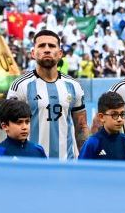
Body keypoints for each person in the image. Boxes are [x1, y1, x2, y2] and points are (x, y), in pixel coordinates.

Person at [6, 29, 88, 160]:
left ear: (60, 53)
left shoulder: (73, 85)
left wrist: (85, 159)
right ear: (33, 53)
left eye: (52, 46)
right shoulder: (20, 86)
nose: (47, 49)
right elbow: (10, 128)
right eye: (41, 45)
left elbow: (81, 127)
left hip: (66, 164)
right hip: (31, 165)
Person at [80, 92, 125, 161]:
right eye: (114, 115)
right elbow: (82, 170)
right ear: (101, 117)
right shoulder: (92, 143)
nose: (120, 119)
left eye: (122, 114)